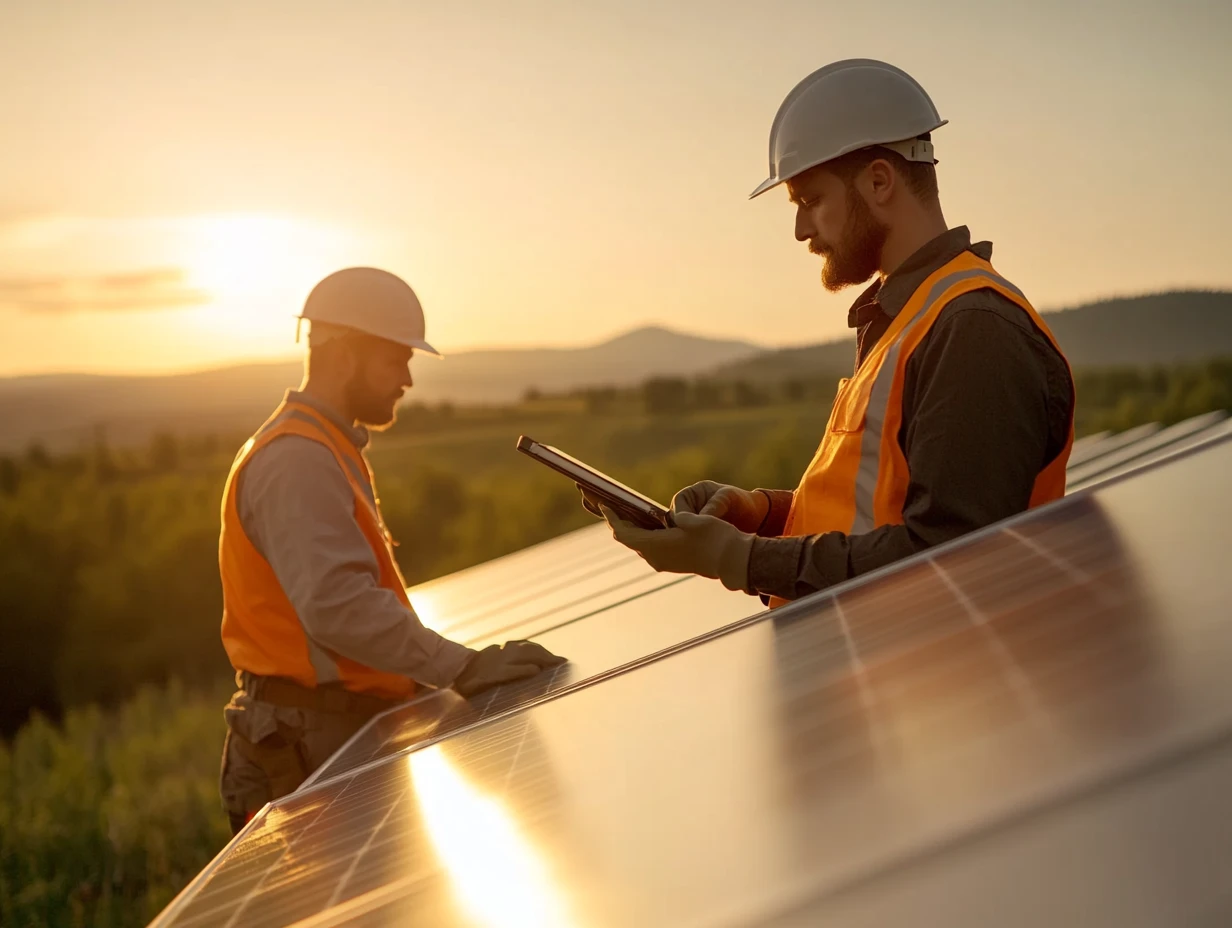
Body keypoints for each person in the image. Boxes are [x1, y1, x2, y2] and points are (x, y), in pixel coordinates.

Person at [586, 59, 1075, 607]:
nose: (800, 230)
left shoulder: (974, 333)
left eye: (810, 200)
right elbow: (868, 518)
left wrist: (736, 558)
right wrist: (761, 516)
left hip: (926, 683)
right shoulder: (912, 319)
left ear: (879, 180)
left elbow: (946, 556)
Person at [218, 267, 565, 834]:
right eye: (396, 358)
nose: (407, 378)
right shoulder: (296, 460)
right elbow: (337, 606)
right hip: (302, 746)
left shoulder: (323, 445)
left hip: (328, 731)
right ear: (345, 353)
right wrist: (462, 666)